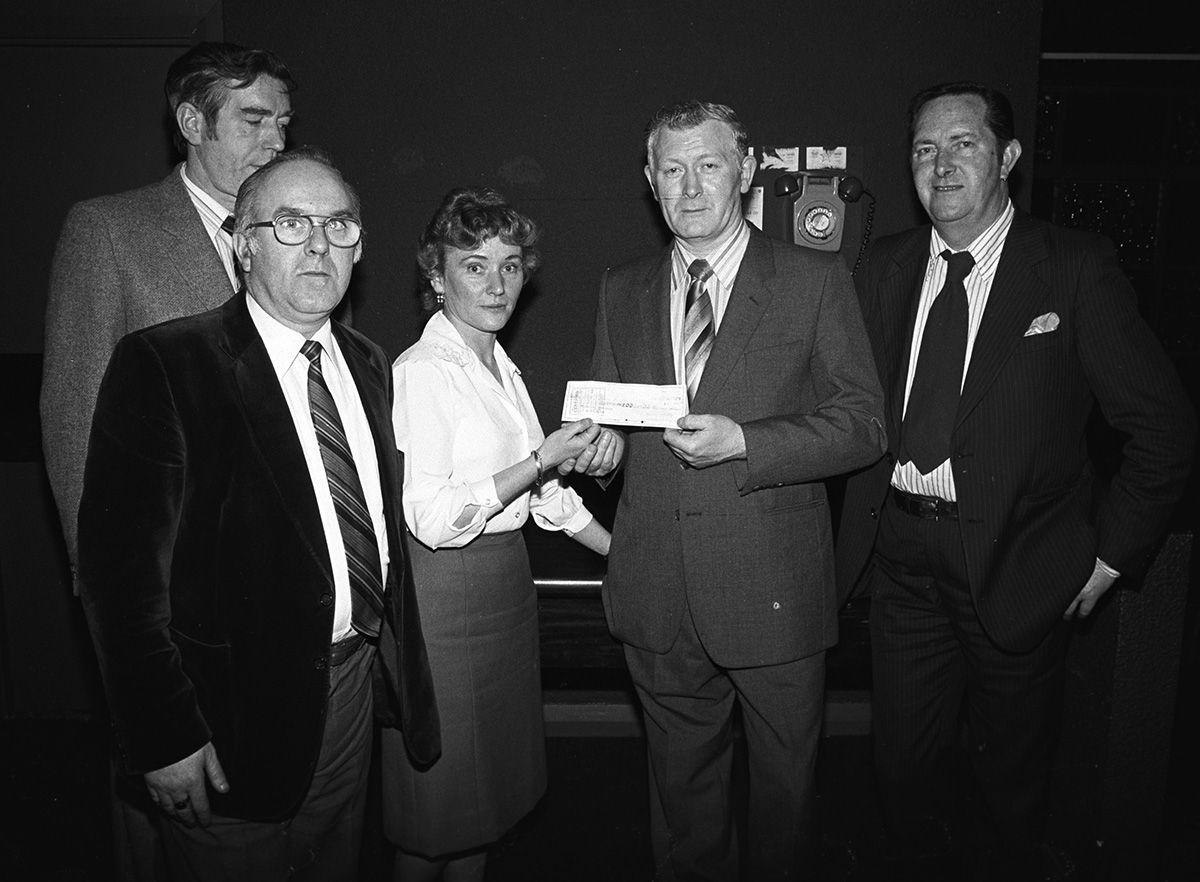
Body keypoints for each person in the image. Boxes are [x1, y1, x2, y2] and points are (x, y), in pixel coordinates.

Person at [835, 81, 1196, 879]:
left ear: (1008, 157)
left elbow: (1163, 429)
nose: (941, 164)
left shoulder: (1071, 269)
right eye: (925, 149)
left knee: (1011, 785)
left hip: (1022, 568)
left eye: (963, 143)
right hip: (901, 562)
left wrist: (1110, 560)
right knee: (902, 774)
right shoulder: (885, 267)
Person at [77, 146, 440, 881]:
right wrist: (162, 736)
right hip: (226, 717)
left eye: (339, 225)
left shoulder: (366, 362)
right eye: (290, 222)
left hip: (349, 690)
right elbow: (120, 584)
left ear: (360, 246)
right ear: (242, 244)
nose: (318, 243)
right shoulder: (166, 365)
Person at [578, 100, 886, 880]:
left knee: (784, 810)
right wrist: (600, 451)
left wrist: (747, 441)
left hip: (772, 589)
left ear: (747, 172)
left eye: (708, 165)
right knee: (684, 814)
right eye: (671, 170)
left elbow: (863, 426)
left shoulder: (814, 281)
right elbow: (613, 421)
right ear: (649, 181)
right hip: (657, 589)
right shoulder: (622, 287)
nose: (689, 187)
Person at [38, 41, 295, 881]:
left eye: (283, 123)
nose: (275, 140)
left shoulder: (291, 235)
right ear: (191, 121)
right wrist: (112, 607)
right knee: (160, 817)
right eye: (254, 119)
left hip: (271, 607)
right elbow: (75, 421)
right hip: (159, 597)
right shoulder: (108, 230)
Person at [384, 186, 612, 882]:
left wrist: (620, 554)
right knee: (436, 816)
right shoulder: (422, 371)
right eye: (475, 264)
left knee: (484, 808)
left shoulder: (498, 365)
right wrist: (539, 458)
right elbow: (430, 516)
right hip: (446, 601)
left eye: (510, 265)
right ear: (436, 276)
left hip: (505, 592)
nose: (497, 282)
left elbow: (546, 499)